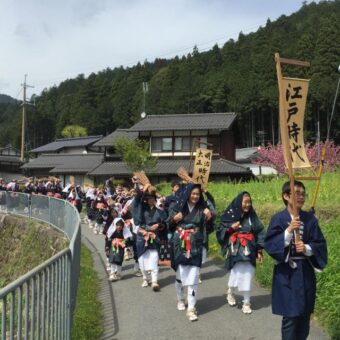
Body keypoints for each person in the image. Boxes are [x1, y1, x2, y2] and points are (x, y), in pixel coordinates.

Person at [265, 180, 327, 340]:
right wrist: (288, 232)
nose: (301, 197)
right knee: (291, 316)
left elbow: (320, 243)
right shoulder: (278, 219)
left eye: (303, 193)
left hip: (305, 272)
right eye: (297, 193)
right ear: (286, 196)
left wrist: (306, 248)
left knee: (305, 316)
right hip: (286, 274)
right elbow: (270, 244)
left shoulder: (310, 219)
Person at [216, 191, 265, 314]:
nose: (247, 205)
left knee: (248, 274)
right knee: (236, 274)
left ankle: (246, 302)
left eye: (249, 202)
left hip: (250, 250)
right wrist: (231, 228)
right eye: (245, 202)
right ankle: (230, 291)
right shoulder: (230, 215)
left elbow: (260, 231)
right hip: (235, 249)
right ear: (239, 202)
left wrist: (259, 249)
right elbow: (220, 230)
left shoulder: (252, 217)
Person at [168, 183, 211, 322]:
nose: (195, 196)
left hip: (195, 245)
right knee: (180, 274)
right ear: (187, 194)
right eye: (193, 193)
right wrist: (174, 219)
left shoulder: (202, 209)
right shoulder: (177, 207)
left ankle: (191, 308)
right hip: (179, 244)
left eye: (198, 194)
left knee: (193, 276)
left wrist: (209, 216)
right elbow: (167, 225)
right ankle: (180, 299)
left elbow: (209, 228)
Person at [133, 183, 167, 291]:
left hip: (154, 236)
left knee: (154, 257)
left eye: (153, 198)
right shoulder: (141, 208)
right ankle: (144, 278)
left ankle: (154, 281)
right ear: (146, 200)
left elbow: (166, 222)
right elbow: (137, 201)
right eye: (149, 199)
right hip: (142, 235)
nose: (151, 200)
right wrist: (143, 190)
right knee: (142, 258)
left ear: (155, 200)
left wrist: (159, 225)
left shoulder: (160, 211)